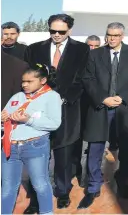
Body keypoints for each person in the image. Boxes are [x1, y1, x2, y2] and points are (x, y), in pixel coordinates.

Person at [24, 13, 90, 211]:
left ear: (69, 30)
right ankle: (36, 197)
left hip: (66, 109)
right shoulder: (35, 49)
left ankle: (62, 192)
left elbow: (82, 79)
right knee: (38, 156)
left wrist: (63, 98)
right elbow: (28, 77)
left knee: (63, 156)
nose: (56, 35)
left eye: (61, 31)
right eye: (52, 31)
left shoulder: (82, 49)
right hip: (39, 111)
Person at [79, 22, 128, 209]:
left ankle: (123, 182)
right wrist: (103, 98)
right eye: (109, 35)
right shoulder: (94, 54)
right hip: (100, 108)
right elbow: (88, 79)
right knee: (95, 148)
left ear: (122, 36)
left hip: (124, 108)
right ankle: (93, 187)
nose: (111, 38)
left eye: (115, 35)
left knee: (127, 149)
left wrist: (121, 97)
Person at [1, 64, 62, 215]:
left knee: (40, 185)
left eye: (29, 81)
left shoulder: (52, 96)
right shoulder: (17, 96)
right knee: (7, 187)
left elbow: (54, 123)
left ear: (42, 80)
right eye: (23, 81)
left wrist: (29, 119)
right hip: (11, 147)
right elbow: (6, 117)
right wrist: (2, 119)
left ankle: (46, 212)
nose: (24, 85)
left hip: (34, 146)